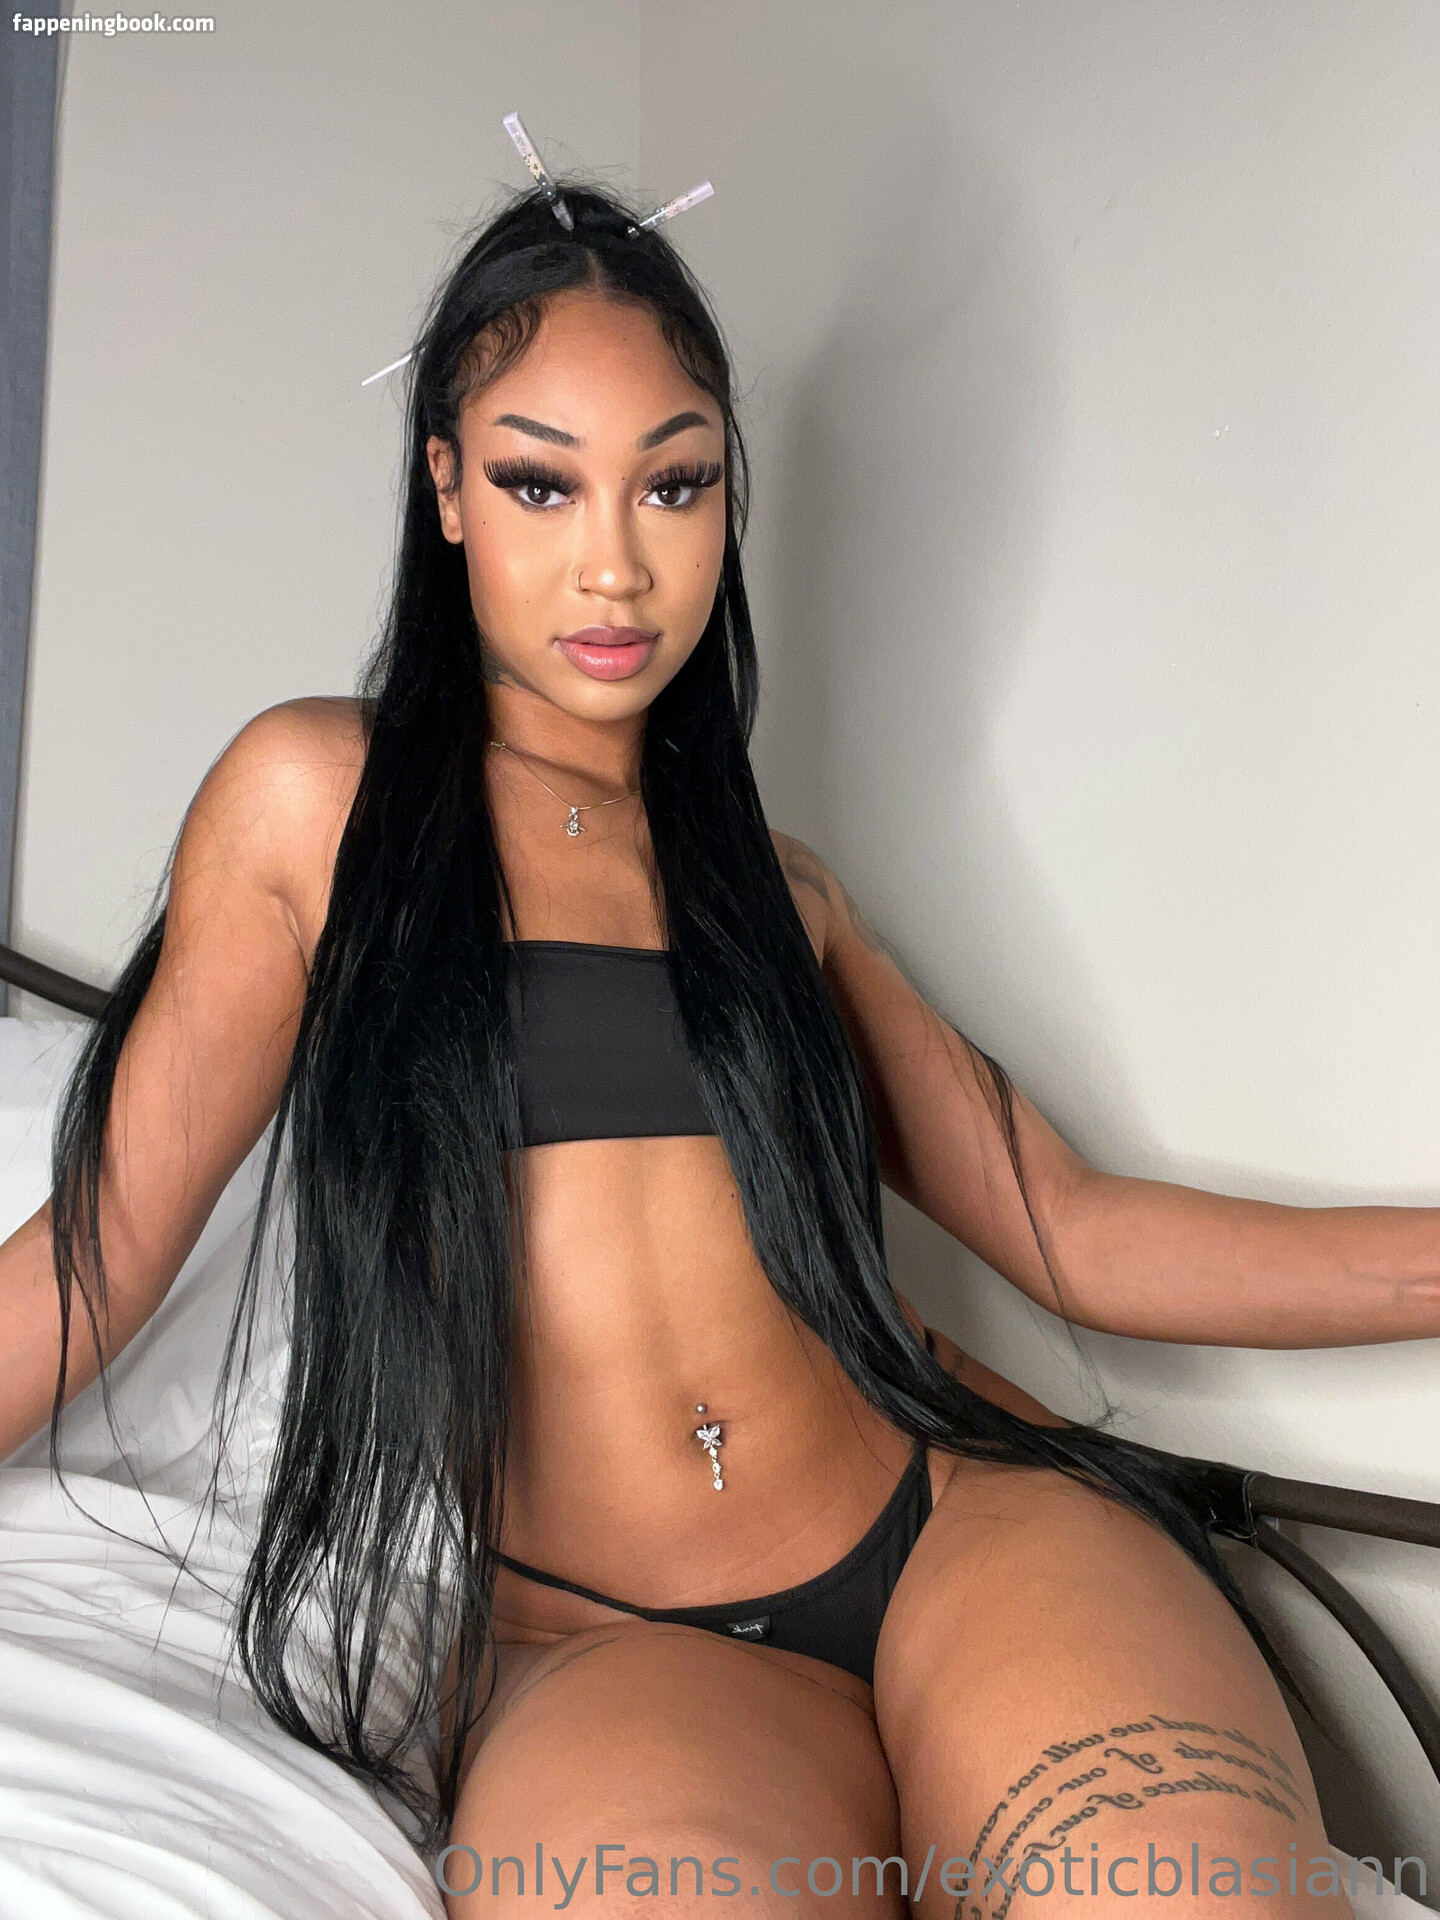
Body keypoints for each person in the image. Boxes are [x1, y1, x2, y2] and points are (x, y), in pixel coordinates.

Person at [3, 178, 1436, 1919]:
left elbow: (1076, 1232)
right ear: (445, 488)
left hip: (964, 1530)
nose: (616, 563)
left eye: (673, 483)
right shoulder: (319, 803)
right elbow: (95, 1259)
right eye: (541, 483)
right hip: (618, 1639)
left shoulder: (779, 889)